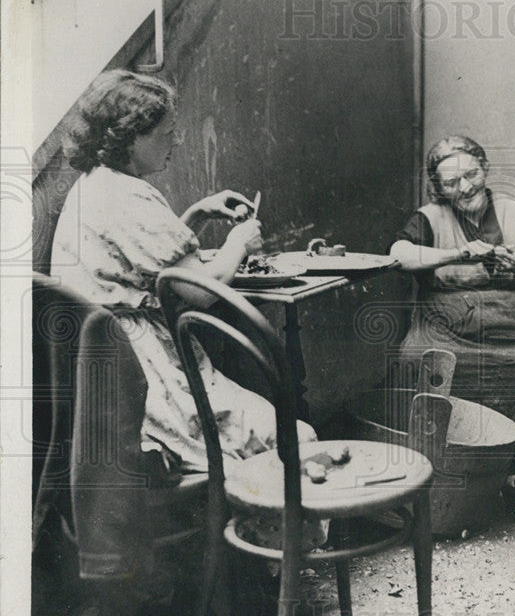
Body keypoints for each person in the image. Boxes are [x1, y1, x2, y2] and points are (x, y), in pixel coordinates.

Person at [52, 69, 317, 472]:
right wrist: (237, 244)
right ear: (128, 137)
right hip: (148, 379)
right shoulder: (129, 194)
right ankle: (280, 530)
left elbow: (143, 261)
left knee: (262, 420)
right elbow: (200, 292)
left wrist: (194, 215)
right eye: (166, 133)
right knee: (296, 437)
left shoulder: (96, 184)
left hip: (109, 370)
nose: (176, 142)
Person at [390, 135, 515, 436]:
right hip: (446, 323)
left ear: (485, 167)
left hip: (513, 319)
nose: (464, 187)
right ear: (438, 187)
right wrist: (458, 255)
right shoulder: (430, 217)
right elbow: (398, 255)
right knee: (416, 357)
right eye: (451, 182)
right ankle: (445, 443)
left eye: (471, 174)